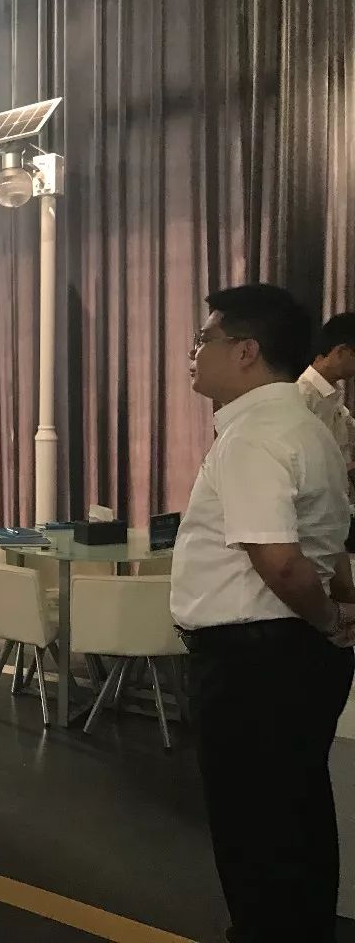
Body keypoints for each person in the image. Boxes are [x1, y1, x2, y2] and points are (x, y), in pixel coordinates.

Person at [172, 285, 355, 943]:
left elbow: (279, 563)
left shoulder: (255, 435)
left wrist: (326, 620)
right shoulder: (309, 428)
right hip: (286, 658)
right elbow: (327, 545)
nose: (194, 353)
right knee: (296, 814)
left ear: (246, 351)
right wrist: (335, 614)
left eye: (205, 339)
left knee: (253, 829)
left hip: (256, 663)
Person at [297, 312, 355, 552]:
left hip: (336, 512)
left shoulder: (333, 399)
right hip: (312, 518)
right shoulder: (301, 395)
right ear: (341, 352)